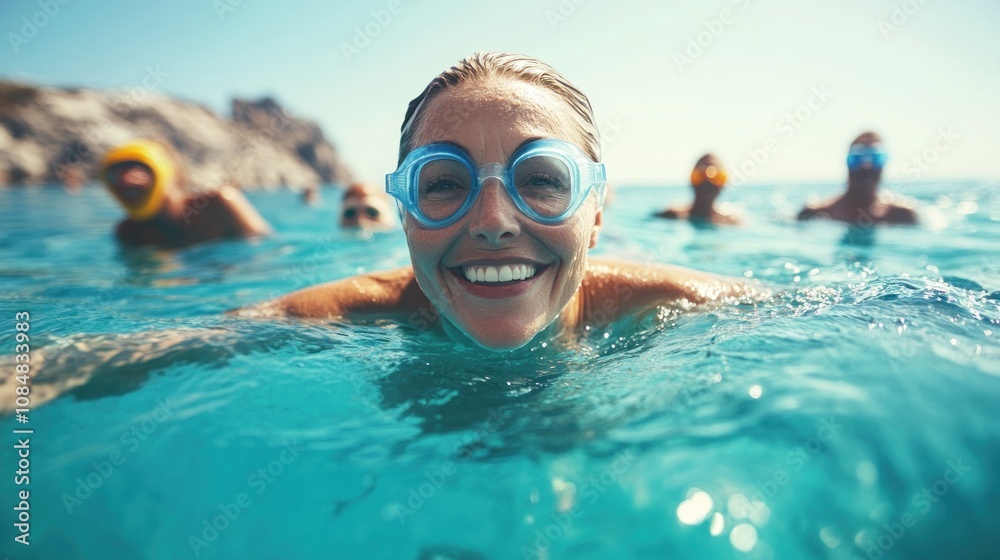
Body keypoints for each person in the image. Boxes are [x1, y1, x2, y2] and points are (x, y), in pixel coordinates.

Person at [241, 52, 762, 351]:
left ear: (596, 214)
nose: (493, 221)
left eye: (541, 179)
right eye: (444, 184)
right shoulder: (336, 315)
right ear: (404, 215)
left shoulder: (679, 304)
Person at [101, 139, 272, 247]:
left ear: (166, 172)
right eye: (114, 175)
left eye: (138, 171)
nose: (125, 181)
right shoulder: (128, 231)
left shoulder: (218, 203)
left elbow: (264, 252)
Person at [798, 132, 917, 225]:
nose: (866, 166)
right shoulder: (814, 212)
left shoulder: (903, 215)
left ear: (884, 164)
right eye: (857, 158)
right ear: (847, 163)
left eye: (876, 158)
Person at [655, 153, 740, 224]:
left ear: (725, 183)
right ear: (691, 179)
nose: (708, 183)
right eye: (700, 176)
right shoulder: (671, 215)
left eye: (717, 177)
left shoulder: (732, 221)